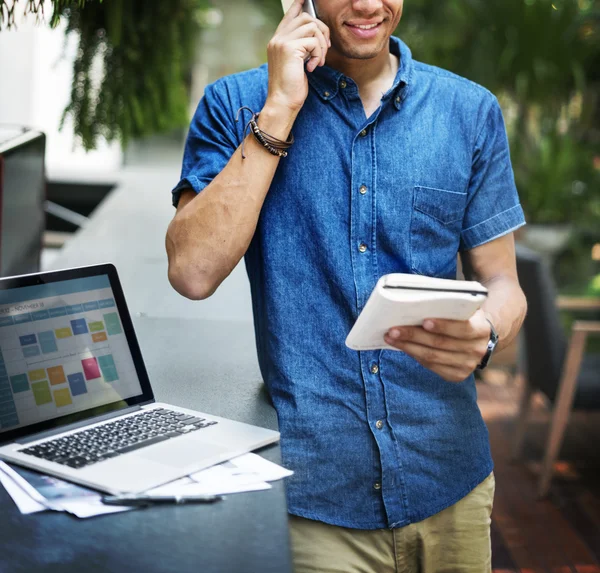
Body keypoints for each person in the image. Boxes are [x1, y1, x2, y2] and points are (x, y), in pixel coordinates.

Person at [166, 0, 527, 570]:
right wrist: (281, 107)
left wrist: (484, 334)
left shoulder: (469, 110)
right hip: (316, 502)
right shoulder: (236, 106)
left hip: (450, 480)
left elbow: (504, 282)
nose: (366, 4)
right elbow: (192, 271)